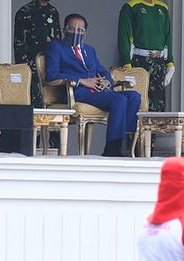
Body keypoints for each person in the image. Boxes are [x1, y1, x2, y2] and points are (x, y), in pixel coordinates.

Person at [46, 13, 141, 157]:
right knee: (119, 99)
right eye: (73, 28)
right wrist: (82, 81)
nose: (77, 32)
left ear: (85, 32)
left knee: (134, 96)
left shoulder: (89, 50)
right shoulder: (56, 47)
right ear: (65, 29)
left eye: (81, 30)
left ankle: (125, 143)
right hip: (77, 93)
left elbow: (103, 71)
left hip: (97, 92)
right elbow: (52, 75)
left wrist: (106, 81)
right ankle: (112, 148)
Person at [118, 0, 175, 112]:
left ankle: (155, 130)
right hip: (139, 60)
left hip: (159, 62)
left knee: (158, 103)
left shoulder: (163, 8)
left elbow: (167, 37)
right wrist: (127, 65)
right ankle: (137, 130)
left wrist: (170, 63)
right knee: (139, 102)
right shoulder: (130, 6)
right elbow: (124, 37)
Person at [13, 0, 61, 109]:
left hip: (51, 64)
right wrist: (24, 70)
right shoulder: (25, 12)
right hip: (32, 65)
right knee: (34, 100)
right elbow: (19, 44)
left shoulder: (53, 11)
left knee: (54, 98)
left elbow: (58, 39)